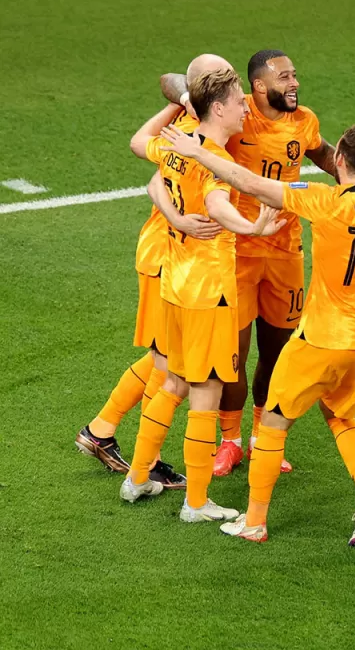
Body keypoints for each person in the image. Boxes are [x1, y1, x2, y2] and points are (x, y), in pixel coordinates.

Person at [160, 93, 355, 546]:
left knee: (271, 425)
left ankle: (254, 521)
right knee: (343, 418)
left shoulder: (325, 201)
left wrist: (198, 150)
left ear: (339, 159)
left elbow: (247, 183)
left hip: (323, 337)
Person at [161, 50, 338, 476]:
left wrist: (353, 181)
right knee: (234, 354)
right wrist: (191, 96)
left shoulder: (304, 120)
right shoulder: (237, 116)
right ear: (258, 87)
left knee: (277, 349)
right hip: (238, 250)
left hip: (285, 252)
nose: (294, 83)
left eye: (296, 74)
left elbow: (322, 152)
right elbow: (169, 79)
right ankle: (231, 441)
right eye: (285, 77)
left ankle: (262, 436)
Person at [121, 68, 285, 524]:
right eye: (238, 103)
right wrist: (252, 227)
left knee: (172, 381)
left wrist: (174, 216)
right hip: (208, 292)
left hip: (174, 285)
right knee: (206, 392)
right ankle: (195, 502)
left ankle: (137, 477)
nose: (245, 109)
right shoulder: (208, 154)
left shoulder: (180, 141)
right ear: (218, 108)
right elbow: (215, 204)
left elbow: (147, 163)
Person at [74, 55, 232, 488]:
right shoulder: (191, 135)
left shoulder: (189, 129)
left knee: (163, 360)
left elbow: (146, 136)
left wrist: (183, 100)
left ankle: (106, 432)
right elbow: (168, 84)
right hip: (169, 259)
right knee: (168, 366)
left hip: (169, 257)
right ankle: (139, 457)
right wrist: (183, 101)